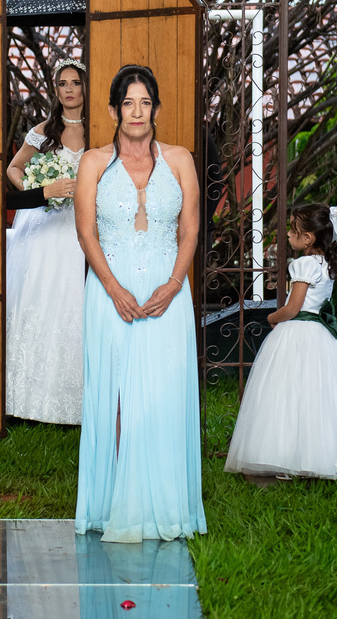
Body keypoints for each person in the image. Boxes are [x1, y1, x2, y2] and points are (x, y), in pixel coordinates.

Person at [74, 64, 206, 543]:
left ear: (155, 109)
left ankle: (166, 504)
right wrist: (111, 286)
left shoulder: (180, 159)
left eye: (145, 102)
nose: (136, 111)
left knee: (164, 393)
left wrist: (174, 284)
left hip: (167, 292)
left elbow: (190, 229)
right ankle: (113, 503)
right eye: (127, 103)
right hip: (110, 292)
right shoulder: (92, 163)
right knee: (115, 396)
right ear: (113, 110)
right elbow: (85, 231)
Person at [224, 204, 337, 479]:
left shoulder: (304, 264)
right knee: (319, 395)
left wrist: (273, 316)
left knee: (287, 392)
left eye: (293, 230)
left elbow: (293, 308)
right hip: (322, 337)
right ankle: (322, 454)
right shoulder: (326, 264)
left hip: (298, 333)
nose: (288, 235)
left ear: (308, 238)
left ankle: (285, 454)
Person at [4, 59, 87, 424]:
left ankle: (76, 398)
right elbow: (13, 168)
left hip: (79, 228)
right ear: (56, 90)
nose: (69, 89)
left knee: (74, 302)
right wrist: (41, 191)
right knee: (40, 300)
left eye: (75, 83)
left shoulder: (99, 132)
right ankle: (26, 402)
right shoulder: (42, 131)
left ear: (85, 88)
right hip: (45, 227)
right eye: (62, 84)